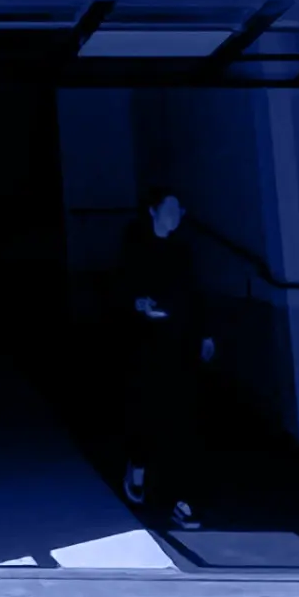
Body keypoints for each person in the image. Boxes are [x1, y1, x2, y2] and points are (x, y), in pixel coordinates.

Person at [116, 188, 214, 530]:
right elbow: (121, 289)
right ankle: (138, 469)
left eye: (179, 209)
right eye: (170, 208)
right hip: (145, 345)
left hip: (178, 343)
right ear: (153, 211)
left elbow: (195, 295)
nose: (177, 215)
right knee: (146, 412)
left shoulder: (183, 251)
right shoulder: (135, 247)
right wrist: (137, 303)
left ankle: (183, 500)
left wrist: (205, 335)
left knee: (182, 419)